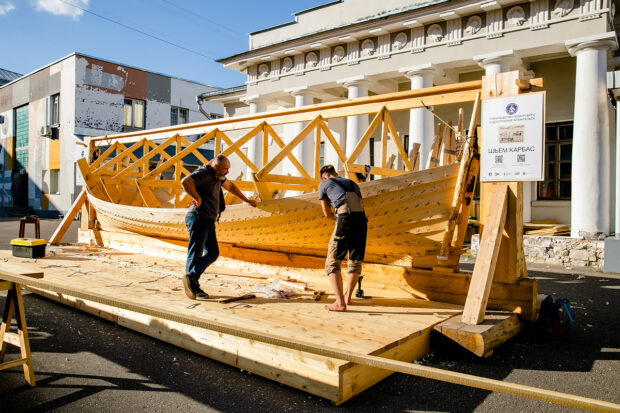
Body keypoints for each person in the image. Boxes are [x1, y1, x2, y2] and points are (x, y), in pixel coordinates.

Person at [181, 154, 257, 299]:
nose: (227, 172)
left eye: (228, 169)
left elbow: (231, 186)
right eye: (225, 169)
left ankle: (191, 278)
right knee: (195, 252)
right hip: (198, 217)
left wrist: (246, 200)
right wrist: (197, 197)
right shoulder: (204, 173)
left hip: (208, 219)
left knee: (213, 252)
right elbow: (185, 182)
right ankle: (193, 284)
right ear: (216, 167)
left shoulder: (218, 177)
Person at [318, 165, 368, 312]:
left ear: (324, 177)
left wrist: (337, 219)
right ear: (336, 173)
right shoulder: (353, 183)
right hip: (362, 221)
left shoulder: (324, 184)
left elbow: (327, 214)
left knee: (332, 263)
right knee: (354, 260)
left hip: (345, 218)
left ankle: (340, 303)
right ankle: (347, 298)